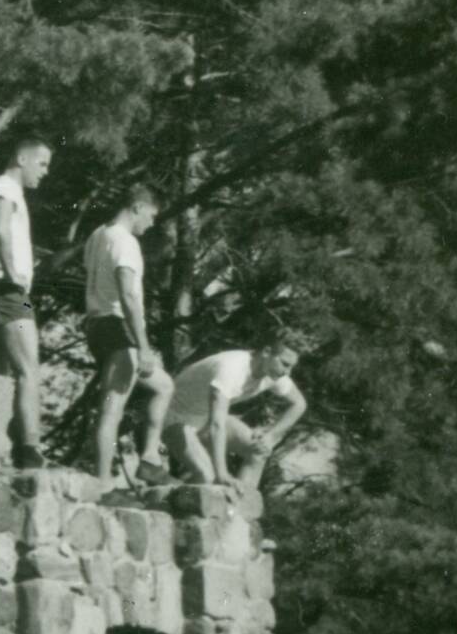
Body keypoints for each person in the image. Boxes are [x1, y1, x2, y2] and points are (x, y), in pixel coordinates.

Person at [0, 134, 53, 470]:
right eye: (42, 163)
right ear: (22, 158)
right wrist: (12, 271)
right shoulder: (6, 188)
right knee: (28, 370)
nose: (45, 172)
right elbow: (0, 229)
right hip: (5, 290)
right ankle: (29, 449)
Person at [84, 184, 175, 485]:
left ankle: (149, 457)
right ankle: (102, 483)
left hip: (97, 324)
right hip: (117, 327)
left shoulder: (98, 235)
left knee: (163, 386)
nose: (150, 224)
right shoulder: (125, 241)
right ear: (136, 207)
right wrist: (144, 346)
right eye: (150, 215)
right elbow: (128, 296)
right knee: (111, 409)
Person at [162, 342, 306, 485]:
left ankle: (239, 506)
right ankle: (161, 498)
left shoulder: (271, 372)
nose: (287, 373)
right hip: (173, 418)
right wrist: (222, 473)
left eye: (291, 367)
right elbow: (216, 425)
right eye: (285, 364)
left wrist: (271, 435)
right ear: (266, 352)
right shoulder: (232, 367)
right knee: (209, 479)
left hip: (205, 419)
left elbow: (299, 404)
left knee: (259, 451)